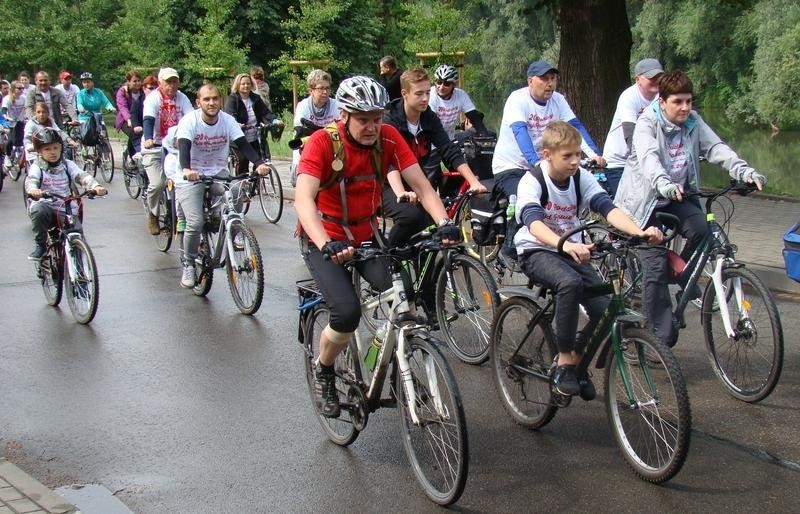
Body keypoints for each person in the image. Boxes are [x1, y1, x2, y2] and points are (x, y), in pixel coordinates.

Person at [294, 75, 459, 418]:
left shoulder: (388, 137)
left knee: (403, 297)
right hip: (324, 236)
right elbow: (303, 201)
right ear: (345, 116)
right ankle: (324, 369)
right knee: (346, 313)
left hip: (365, 233)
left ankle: (396, 359)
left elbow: (424, 188)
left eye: (377, 118)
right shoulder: (324, 143)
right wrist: (326, 244)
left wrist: (444, 224)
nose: (372, 127)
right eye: (363, 119)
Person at [614, 70, 767, 348]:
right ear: (662, 102)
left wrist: (744, 171)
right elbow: (649, 162)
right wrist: (665, 183)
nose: (685, 108)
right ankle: (657, 340)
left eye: (689, 101)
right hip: (644, 204)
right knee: (655, 267)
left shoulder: (693, 122)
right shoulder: (647, 124)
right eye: (678, 102)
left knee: (702, 230)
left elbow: (716, 148)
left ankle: (681, 273)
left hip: (678, 197)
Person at [514, 120, 663, 397]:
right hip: (537, 250)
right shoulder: (532, 180)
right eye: (567, 156)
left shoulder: (581, 177)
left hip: (573, 250)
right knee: (569, 283)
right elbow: (533, 223)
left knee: (605, 309)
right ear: (547, 155)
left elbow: (607, 208)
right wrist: (564, 243)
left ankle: (577, 359)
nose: (575, 161)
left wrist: (639, 232)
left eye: (578, 154)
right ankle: (565, 358)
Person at [492, 60, 606, 264]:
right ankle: (510, 249)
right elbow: (520, 132)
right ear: (530, 81)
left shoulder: (558, 100)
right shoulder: (518, 100)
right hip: (512, 165)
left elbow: (574, 126)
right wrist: (535, 162)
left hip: (544, 163)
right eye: (544, 79)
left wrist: (595, 154)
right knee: (522, 197)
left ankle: (553, 244)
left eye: (552, 79)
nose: (549, 84)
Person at [175, 83, 271, 289]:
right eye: (206, 99)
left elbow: (243, 144)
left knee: (236, 191)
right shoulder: (189, 122)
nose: (211, 103)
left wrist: (260, 163)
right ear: (198, 102)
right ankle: (189, 264)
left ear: (221, 100)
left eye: (215, 98)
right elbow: (184, 146)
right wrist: (186, 169)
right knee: (195, 222)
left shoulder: (227, 121)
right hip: (191, 176)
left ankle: (233, 231)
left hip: (218, 173)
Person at [382, 67, 486, 248]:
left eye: (427, 93)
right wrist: (401, 192)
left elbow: (448, 149)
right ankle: (390, 258)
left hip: (417, 180)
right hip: (386, 183)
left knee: (435, 222)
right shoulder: (389, 119)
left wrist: (473, 182)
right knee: (412, 217)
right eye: (419, 94)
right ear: (404, 94)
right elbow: (390, 162)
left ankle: (425, 271)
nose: (425, 99)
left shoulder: (429, 118)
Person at [24, 127, 107, 260]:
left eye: (55, 148)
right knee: (37, 210)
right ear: (39, 151)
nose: (52, 152)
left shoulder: (67, 164)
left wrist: (95, 186)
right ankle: (41, 246)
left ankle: (81, 272)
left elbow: (81, 176)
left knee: (77, 235)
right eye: (47, 149)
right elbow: (32, 180)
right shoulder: (37, 167)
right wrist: (33, 190)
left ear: (61, 148)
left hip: (66, 208)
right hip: (47, 207)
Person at [601, 58, 665, 198]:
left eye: (659, 77)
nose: (656, 80)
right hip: (619, 162)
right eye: (651, 77)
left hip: (645, 160)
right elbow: (630, 134)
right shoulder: (629, 97)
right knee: (627, 210)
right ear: (638, 79)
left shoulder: (662, 98)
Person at [141, 67, 193, 235]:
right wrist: (148, 138)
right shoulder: (153, 99)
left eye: (174, 81)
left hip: (176, 147)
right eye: (167, 82)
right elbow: (148, 119)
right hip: (155, 146)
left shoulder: (182, 98)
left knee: (185, 181)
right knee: (157, 184)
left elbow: (191, 119)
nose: (171, 86)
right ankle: (153, 214)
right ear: (160, 83)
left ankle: (182, 215)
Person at [224, 72, 284, 173]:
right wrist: (237, 124)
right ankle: (242, 184)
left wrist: (274, 120)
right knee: (242, 161)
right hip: (239, 138)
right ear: (238, 85)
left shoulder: (256, 98)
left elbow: (265, 112)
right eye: (243, 84)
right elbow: (230, 115)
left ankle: (256, 184)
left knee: (261, 162)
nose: (246, 86)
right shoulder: (233, 99)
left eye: (248, 83)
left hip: (256, 136)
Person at [290, 69, 340, 182]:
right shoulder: (303, 106)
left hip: (330, 146)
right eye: (321, 88)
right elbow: (300, 134)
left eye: (327, 88)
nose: (325, 92)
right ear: (311, 91)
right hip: (308, 145)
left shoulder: (335, 105)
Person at [428, 64, 488, 140]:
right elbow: (432, 123)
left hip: (450, 139)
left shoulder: (461, 95)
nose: (442, 87)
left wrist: (484, 136)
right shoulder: (430, 94)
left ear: (454, 85)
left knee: (482, 134)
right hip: (431, 140)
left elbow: (474, 117)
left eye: (447, 84)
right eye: (439, 82)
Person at [115, 71, 144, 161]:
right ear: (128, 81)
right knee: (134, 132)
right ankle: (137, 154)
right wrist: (128, 119)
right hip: (124, 120)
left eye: (139, 80)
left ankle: (130, 153)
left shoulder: (143, 91)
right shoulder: (123, 91)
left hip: (139, 118)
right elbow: (123, 107)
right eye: (134, 81)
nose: (138, 83)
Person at [129, 75, 159, 157]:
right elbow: (133, 116)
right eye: (151, 88)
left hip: (157, 138)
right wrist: (136, 126)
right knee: (144, 157)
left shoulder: (161, 103)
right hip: (140, 137)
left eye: (156, 88)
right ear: (144, 89)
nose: (154, 91)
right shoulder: (137, 103)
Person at [2, 80, 26, 171]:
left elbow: (28, 107)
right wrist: (6, 117)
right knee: (11, 140)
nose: (21, 90)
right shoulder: (7, 99)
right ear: (13, 89)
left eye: (22, 88)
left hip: (20, 121)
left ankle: (20, 155)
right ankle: (7, 156)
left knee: (21, 140)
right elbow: (4, 110)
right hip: (10, 122)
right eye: (19, 88)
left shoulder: (24, 98)